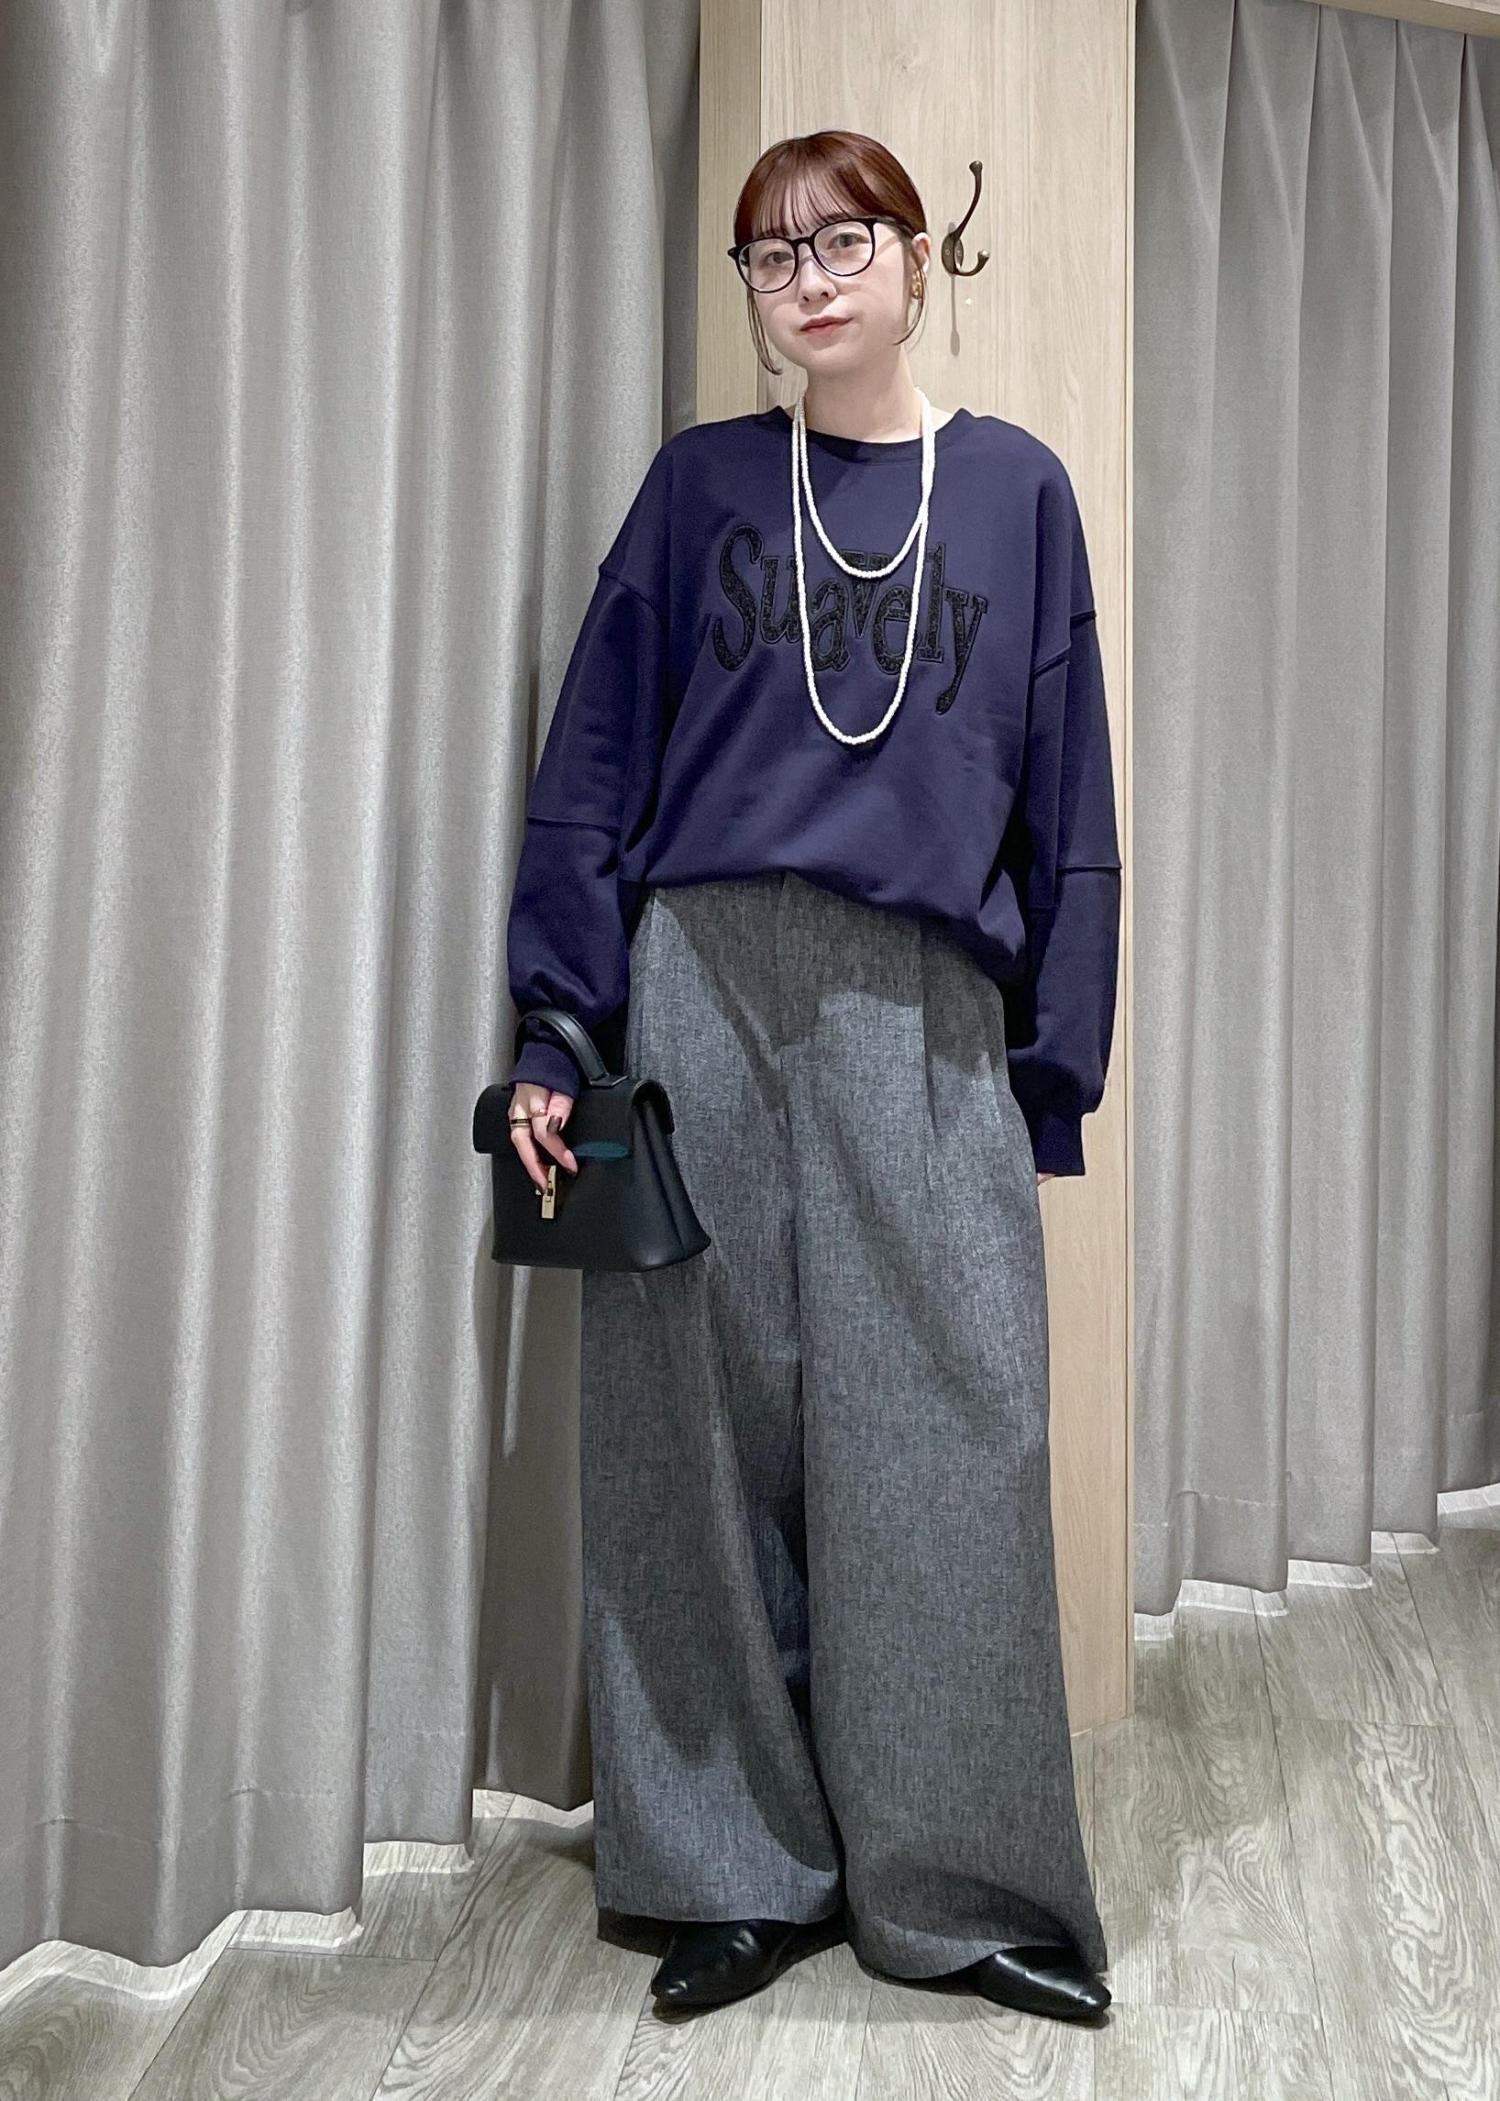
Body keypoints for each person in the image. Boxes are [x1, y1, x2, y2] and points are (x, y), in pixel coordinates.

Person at [503, 128, 1120, 2025]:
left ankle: (963, 1881)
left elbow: (1072, 811)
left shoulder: (1014, 492)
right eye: (772, 256)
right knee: (695, 1438)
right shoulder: (700, 487)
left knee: (952, 1434)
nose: (810, 279)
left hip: (923, 1001)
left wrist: (1050, 1065)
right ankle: (732, 1868)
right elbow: (594, 763)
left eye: (845, 239)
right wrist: (558, 1027)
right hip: (700, 981)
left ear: (919, 259)